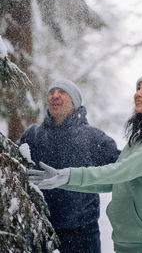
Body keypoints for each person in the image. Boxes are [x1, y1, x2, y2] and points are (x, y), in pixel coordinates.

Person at [29, 72, 142, 253]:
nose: (138, 93)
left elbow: (123, 169)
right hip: (128, 239)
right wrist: (64, 180)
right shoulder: (140, 139)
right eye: (138, 88)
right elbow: (116, 179)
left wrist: (70, 174)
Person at [17, 79, 120, 253]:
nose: (55, 96)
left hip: (82, 235)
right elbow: (9, 165)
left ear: (75, 102)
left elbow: (126, 166)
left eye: (62, 92)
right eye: (51, 92)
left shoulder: (93, 137)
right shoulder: (33, 135)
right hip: (40, 232)